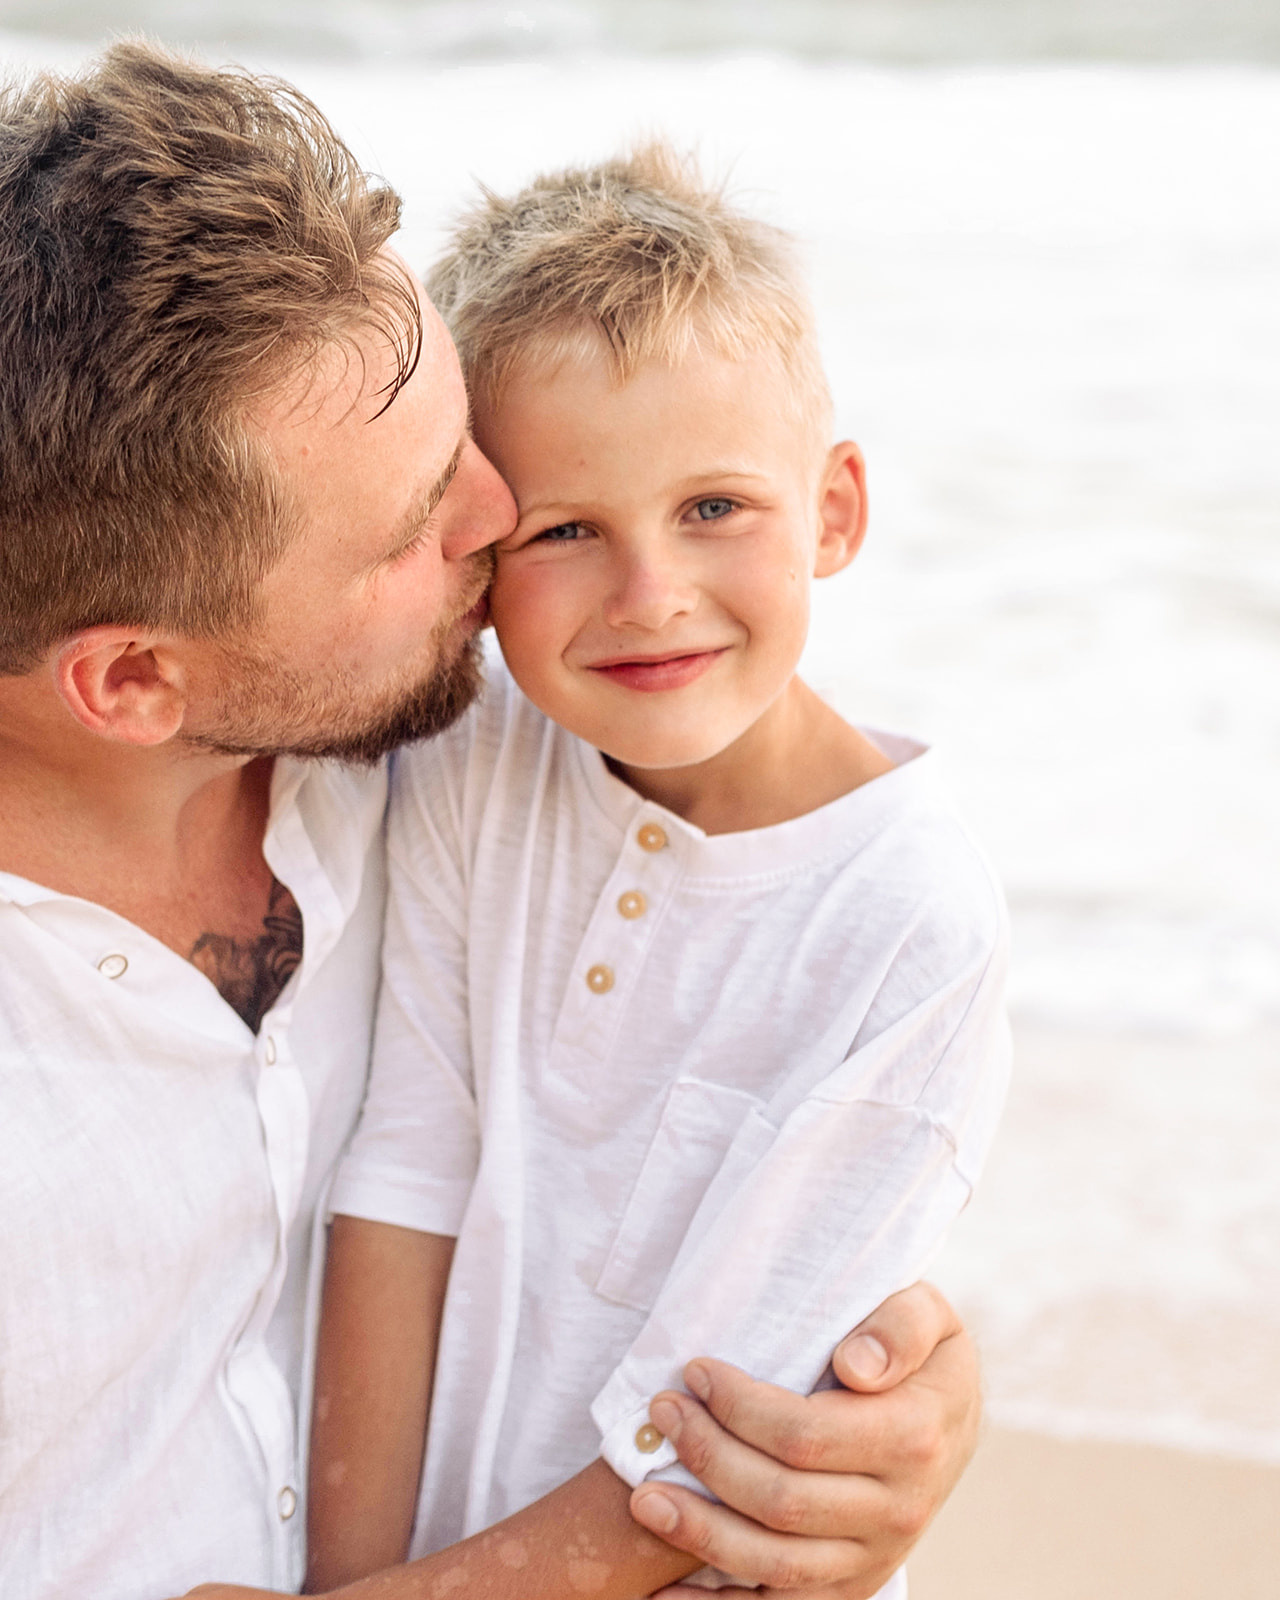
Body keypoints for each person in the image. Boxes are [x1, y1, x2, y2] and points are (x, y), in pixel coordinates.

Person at [0, 42, 981, 1600]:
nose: (493, 523)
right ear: (134, 679)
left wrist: (890, 1398)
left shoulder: (415, 746)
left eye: (461, 437)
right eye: (413, 529)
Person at [296, 149, 1011, 1600]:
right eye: (567, 530)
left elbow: (719, 1435)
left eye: (713, 510)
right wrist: (342, 1581)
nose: (649, 595)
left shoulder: (909, 922)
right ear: (478, 560)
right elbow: (407, 1169)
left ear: (834, 512)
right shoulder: (474, 766)